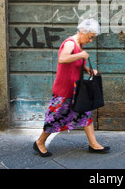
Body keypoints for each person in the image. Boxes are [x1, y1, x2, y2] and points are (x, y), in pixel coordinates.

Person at [33, 18, 110, 157]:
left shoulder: (79, 45)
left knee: (86, 114)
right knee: (54, 117)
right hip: (64, 90)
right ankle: (39, 142)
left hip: (76, 90)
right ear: (82, 31)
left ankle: (93, 144)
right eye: (90, 37)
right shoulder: (70, 43)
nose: (91, 40)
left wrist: (86, 69)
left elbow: (73, 63)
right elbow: (62, 59)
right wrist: (81, 55)